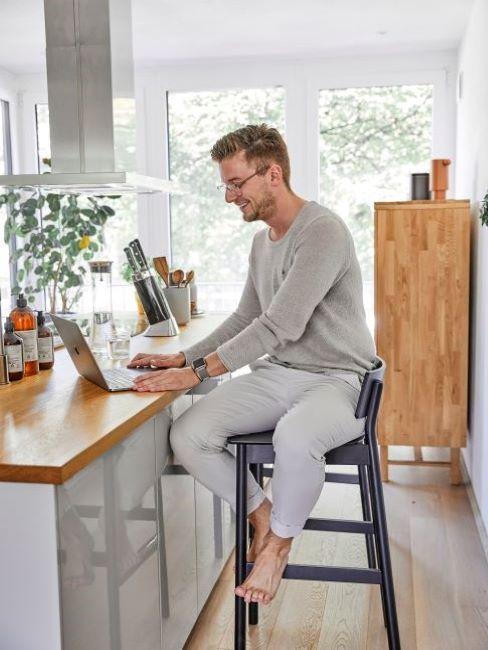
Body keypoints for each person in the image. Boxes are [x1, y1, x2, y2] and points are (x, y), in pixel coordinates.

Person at [128, 124, 376, 606]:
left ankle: (278, 547)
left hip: (335, 379)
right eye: (226, 185)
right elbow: (247, 317)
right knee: (188, 435)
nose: (228, 196)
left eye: (236, 183)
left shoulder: (322, 230)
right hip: (279, 374)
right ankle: (261, 513)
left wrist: (198, 373)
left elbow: (280, 324)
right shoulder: (263, 242)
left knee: (296, 438)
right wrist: (184, 357)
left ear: (273, 174)